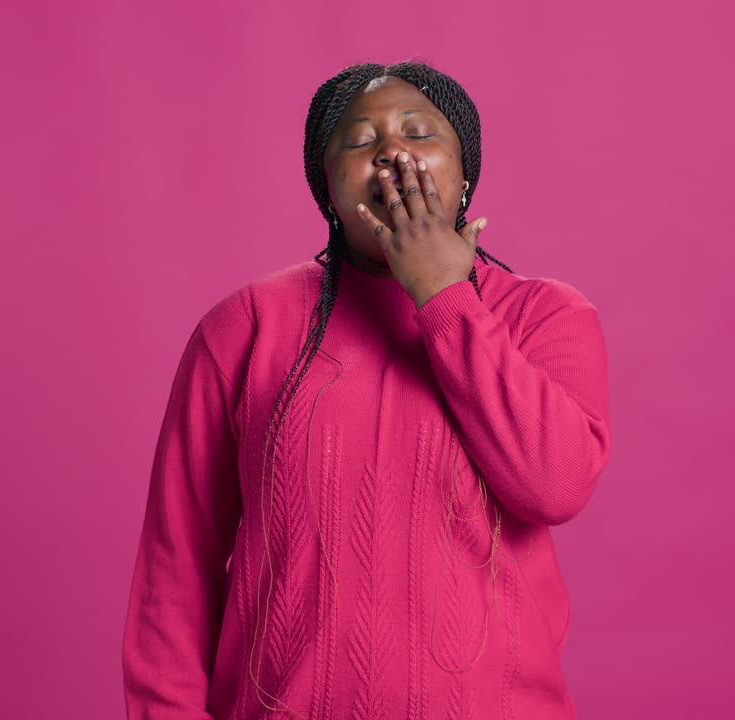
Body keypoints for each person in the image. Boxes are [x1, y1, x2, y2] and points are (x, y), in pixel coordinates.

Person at [122, 60, 613, 720]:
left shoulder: (544, 316)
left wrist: (442, 295)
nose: (391, 153)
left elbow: (553, 485)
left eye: (419, 132)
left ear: (464, 172)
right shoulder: (244, 328)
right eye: (359, 141)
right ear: (327, 189)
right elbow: (176, 572)